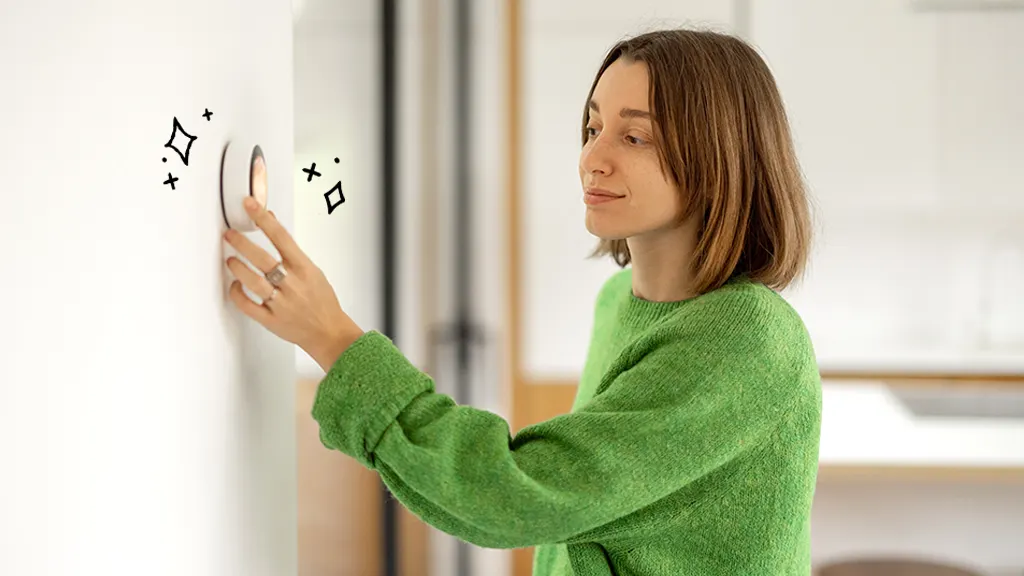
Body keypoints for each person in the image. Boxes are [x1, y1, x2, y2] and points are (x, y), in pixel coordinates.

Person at [223, 27, 821, 576]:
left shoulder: (748, 339)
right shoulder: (619, 301)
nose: (593, 157)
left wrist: (333, 339)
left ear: (719, 157)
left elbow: (516, 496)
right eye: (593, 129)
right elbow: (575, 516)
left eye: (633, 136)